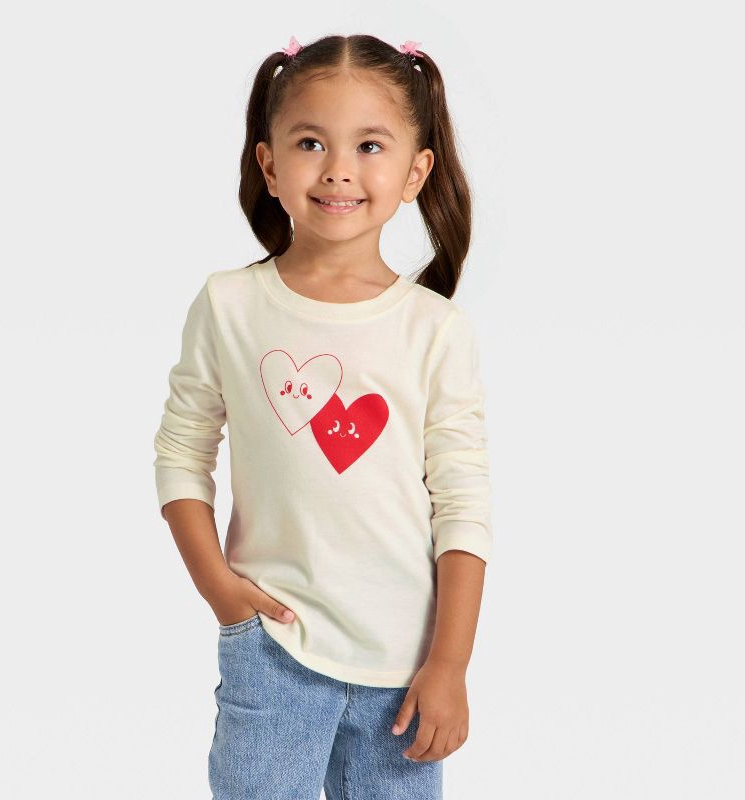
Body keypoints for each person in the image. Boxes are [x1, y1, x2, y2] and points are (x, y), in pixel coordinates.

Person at [153, 32, 493, 800]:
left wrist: (450, 663)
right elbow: (181, 452)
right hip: (271, 649)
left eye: (369, 145)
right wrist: (218, 588)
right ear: (269, 164)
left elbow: (463, 505)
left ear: (415, 171)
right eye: (310, 142)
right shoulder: (230, 306)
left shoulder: (435, 330)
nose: (338, 168)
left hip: (405, 669)